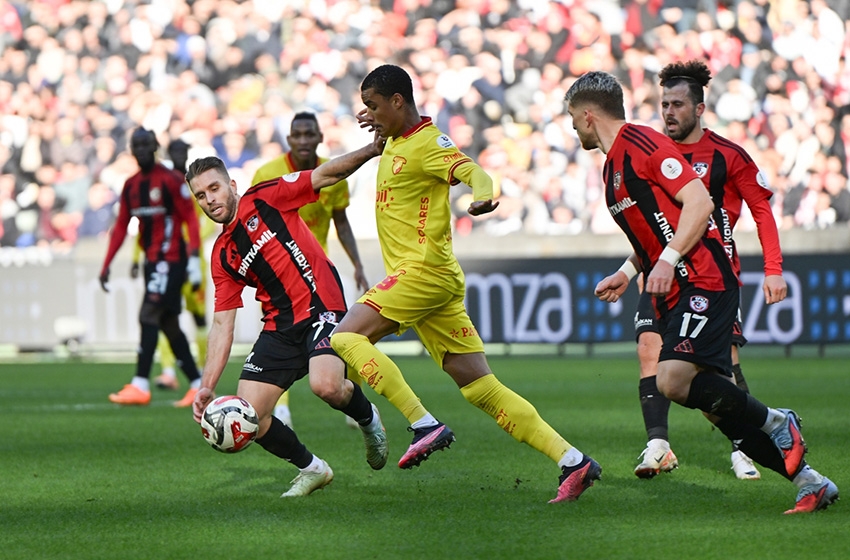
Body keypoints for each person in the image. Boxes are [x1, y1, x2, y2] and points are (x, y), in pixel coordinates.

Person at [566, 70, 837, 514]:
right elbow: (655, 231)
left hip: (704, 278)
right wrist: (628, 270)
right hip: (675, 283)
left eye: (574, 118)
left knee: (671, 379)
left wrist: (670, 260)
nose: (573, 128)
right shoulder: (612, 164)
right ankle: (810, 481)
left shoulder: (643, 145)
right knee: (716, 406)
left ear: (589, 115)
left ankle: (777, 420)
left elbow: (699, 203)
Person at [330, 64, 600, 503]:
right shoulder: (395, 142)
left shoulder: (427, 144)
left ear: (399, 101)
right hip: (433, 282)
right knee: (480, 387)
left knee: (345, 338)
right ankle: (573, 461)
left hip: (423, 273)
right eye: (366, 108)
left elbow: (475, 171)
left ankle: (423, 424)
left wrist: (481, 194)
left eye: (374, 106)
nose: (370, 115)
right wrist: (376, 130)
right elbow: (388, 136)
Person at [186, 147, 388, 498]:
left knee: (326, 386)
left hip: (321, 303)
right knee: (250, 416)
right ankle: (312, 469)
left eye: (214, 188)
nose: (209, 199)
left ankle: (368, 419)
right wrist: (207, 385)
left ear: (231, 185)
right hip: (279, 326)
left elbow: (325, 175)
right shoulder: (223, 255)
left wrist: (373, 149)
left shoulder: (266, 197)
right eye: (200, 195)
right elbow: (222, 325)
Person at [631, 60, 789, 480]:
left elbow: (761, 210)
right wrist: (630, 268)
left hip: (709, 277)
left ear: (699, 109)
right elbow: (649, 223)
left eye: (678, 104)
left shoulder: (727, 155)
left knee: (719, 366)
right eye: (664, 103)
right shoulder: (652, 154)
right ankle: (658, 445)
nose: (668, 112)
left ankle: (746, 444)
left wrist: (773, 269)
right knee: (650, 350)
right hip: (663, 272)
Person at [252, 112, 369, 428]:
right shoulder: (267, 173)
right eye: (297, 135)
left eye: (309, 135)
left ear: (320, 137)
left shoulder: (333, 172)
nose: (303, 141)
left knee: (346, 335)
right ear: (288, 139)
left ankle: (353, 398)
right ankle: (282, 407)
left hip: (320, 274)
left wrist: (357, 263)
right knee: (280, 337)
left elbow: (341, 222)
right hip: (280, 277)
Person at [99, 128, 203, 406]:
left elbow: (190, 219)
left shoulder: (170, 180)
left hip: (171, 260)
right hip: (152, 262)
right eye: (137, 145)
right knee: (168, 323)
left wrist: (193, 260)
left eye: (147, 144)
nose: (143, 149)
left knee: (148, 314)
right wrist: (107, 263)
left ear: (156, 146)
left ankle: (140, 384)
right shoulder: (131, 185)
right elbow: (121, 227)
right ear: (131, 150)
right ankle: (198, 384)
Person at [129, 139, 215, 407]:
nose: (179, 155)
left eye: (183, 151)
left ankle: (200, 375)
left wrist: (191, 246)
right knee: (165, 315)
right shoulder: (167, 183)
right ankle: (170, 373)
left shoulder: (191, 183)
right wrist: (137, 255)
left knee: (196, 318)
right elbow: (149, 224)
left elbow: (206, 220)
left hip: (191, 261)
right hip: (169, 259)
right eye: (175, 151)